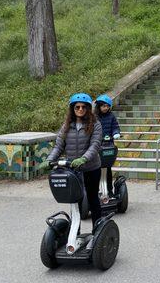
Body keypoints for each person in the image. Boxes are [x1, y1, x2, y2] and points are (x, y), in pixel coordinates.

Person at [39, 93, 102, 227]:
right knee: (75, 202)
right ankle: (75, 234)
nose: (80, 109)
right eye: (77, 107)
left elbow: (95, 145)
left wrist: (84, 159)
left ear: (88, 108)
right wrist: (49, 160)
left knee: (93, 199)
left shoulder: (95, 124)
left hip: (91, 168)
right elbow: (59, 146)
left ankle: (98, 230)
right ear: (72, 109)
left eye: (84, 107)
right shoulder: (67, 125)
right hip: (73, 170)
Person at [94, 94, 120, 197]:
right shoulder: (94, 117)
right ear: (99, 106)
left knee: (107, 169)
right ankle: (96, 192)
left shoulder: (111, 116)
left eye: (107, 106)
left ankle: (109, 191)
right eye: (103, 106)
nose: (105, 108)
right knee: (96, 170)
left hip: (108, 145)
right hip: (97, 146)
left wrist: (115, 133)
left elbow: (115, 126)